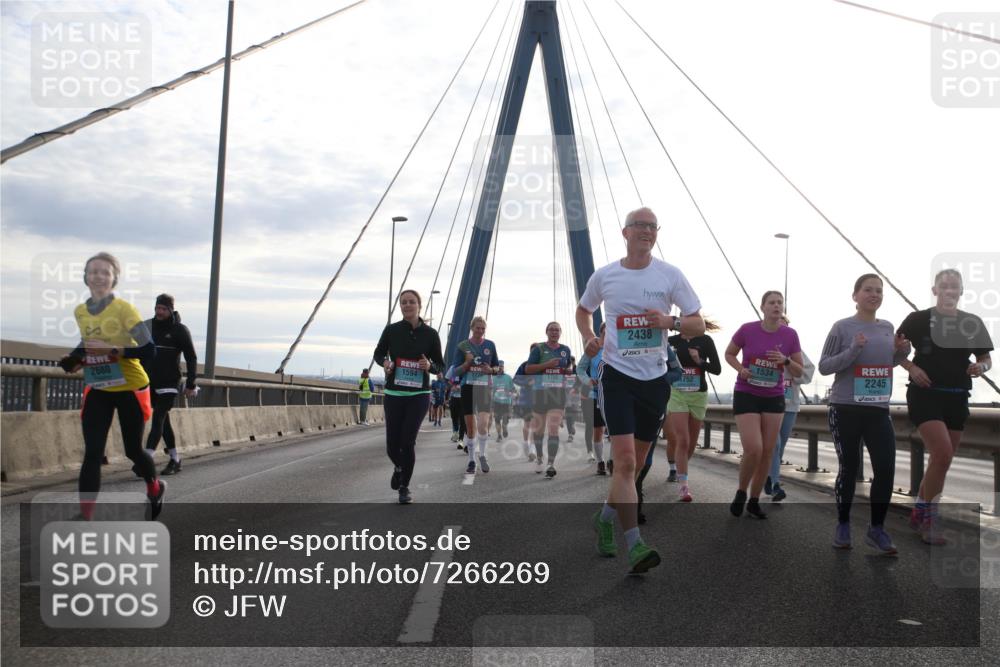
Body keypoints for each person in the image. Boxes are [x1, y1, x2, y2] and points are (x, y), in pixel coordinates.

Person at [577, 207, 705, 574]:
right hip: (616, 376)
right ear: (625, 232)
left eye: (652, 226)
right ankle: (635, 544)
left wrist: (671, 321)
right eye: (640, 225)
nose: (646, 231)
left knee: (637, 466)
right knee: (627, 461)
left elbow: (696, 321)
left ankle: (604, 518)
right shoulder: (606, 276)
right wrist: (589, 337)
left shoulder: (670, 274)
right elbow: (583, 310)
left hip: (655, 381)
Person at [58, 252, 164, 520]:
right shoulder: (81, 311)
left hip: (130, 387)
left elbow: (149, 349)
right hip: (99, 387)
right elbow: (87, 344)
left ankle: (154, 486)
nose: (99, 276)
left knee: (133, 451)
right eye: (94, 271)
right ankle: (85, 515)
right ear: (86, 277)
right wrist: (74, 360)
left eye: (105, 272)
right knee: (93, 452)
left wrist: (115, 350)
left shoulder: (124, 310)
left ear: (114, 279)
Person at [897, 269, 993, 544]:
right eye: (945, 286)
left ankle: (919, 509)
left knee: (942, 460)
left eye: (955, 287)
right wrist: (912, 367)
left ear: (961, 292)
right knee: (942, 453)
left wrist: (981, 366)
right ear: (935, 290)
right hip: (925, 394)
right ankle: (930, 520)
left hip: (957, 396)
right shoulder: (917, 319)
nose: (950, 291)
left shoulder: (971, 322)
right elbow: (894, 351)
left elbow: (986, 357)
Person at [819, 274, 910, 553]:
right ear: (855, 295)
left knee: (885, 468)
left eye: (879, 291)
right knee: (849, 467)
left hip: (878, 409)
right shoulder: (842, 327)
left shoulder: (887, 327)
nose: (874, 295)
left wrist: (900, 353)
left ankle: (877, 529)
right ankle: (843, 524)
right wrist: (853, 349)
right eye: (868, 290)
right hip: (845, 408)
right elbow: (825, 366)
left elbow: (886, 364)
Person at [724, 291, 804, 520]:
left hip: (774, 396)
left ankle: (754, 500)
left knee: (768, 451)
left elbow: (799, 369)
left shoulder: (790, 335)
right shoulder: (747, 329)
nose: (777, 306)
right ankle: (741, 492)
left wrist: (786, 360)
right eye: (772, 303)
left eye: (780, 302)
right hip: (747, 392)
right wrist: (741, 369)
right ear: (763, 307)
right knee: (754, 449)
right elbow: (729, 354)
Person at [373, 289, 444, 504]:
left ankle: (404, 487)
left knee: (408, 441)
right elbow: (378, 353)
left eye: (411, 302)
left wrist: (429, 366)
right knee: (392, 445)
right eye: (403, 302)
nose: (407, 305)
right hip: (394, 393)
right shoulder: (392, 330)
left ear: (419, 306)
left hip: (419, 394)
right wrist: (385, 363)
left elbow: (441, 364)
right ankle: (398, 467)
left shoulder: (431, 334)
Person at [140, 294, 197, 476]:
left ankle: (146, 460)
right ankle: (175, 459)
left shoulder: (180, 330)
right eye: (157, 308)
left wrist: (191, 382)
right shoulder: (147, 326)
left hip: (170, 382)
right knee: (164, 423)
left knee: (158, 418)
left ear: (170, 310)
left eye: (163, 309)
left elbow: (191, 357)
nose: (159, 312)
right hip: (149, 381)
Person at [663, 326, 721, 502]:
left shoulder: (706, 341)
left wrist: (700, 361)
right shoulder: (670, 341)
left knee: (691, 446)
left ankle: (681, 470)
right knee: (683, 440)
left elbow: (717, 369)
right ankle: (684, 487)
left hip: (698, 395)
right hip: (677, 393)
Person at [764, 316, 814, 502]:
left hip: (789, 405)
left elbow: (807, 374)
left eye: (784, 327)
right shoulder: (764, 349)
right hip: (768, 405)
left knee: (779, 446)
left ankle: (769, 477)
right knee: (774, 444)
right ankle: (776, 485)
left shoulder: (796, 352)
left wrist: (790, 367)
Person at [451, 315, 499, 474]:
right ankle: (471, 460)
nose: (480, 331)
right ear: (472, 328)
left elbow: (498, 368)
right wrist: (467, 363)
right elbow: (455, 371)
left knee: (483, 424)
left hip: (484, 388)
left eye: (483, 328)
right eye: (477, 328)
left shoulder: (490, 345)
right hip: (468, 388)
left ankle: (482, 455)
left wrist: (491, 370)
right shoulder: (462, 346)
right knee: (471, 428)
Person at [525, 322, 573, 478]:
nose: (554, 332)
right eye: (551, 330)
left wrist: (567, 370)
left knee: (553, 429)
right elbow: (528, 369)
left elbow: (565, 370)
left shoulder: (565, 350)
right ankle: (539, 457)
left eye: (557, 330)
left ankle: (551, 464)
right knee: (539, 430)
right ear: (546, 332)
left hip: (557, 394)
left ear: (560, 333)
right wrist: (547, 365)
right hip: (540, 393)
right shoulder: (538, 348)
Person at [577, 323, 607, 474]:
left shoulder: (620, 347)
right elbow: (580, 368)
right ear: (601, 332)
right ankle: (601, 462)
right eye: (605, 331)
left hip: (616, 394)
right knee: (598, 429)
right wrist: (588, 380)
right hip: (595, 393)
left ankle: (614, 461)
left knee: (618, 430)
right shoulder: (593, 348)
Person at [512, 358, 535, 461]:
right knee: (527, 423)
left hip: (540, 400)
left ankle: (532, 449)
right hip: (526, 400)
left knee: (536, 424)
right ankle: (526, 443)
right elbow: (515, 379)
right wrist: (527, 382)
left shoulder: (544, 365)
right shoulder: (524, 365)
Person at [491, 361, 514, 442]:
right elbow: (490, 391)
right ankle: (499, 435)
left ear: (503, 367)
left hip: (506, 402)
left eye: (502, 366)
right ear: (496, 368)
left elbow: (513, 390)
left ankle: (504, 428)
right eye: (499, 366)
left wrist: (511, 396)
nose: (500, 368)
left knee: (505, 420)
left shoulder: (508, 378)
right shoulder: (492, 378)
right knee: (497, 420)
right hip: (496, 402)